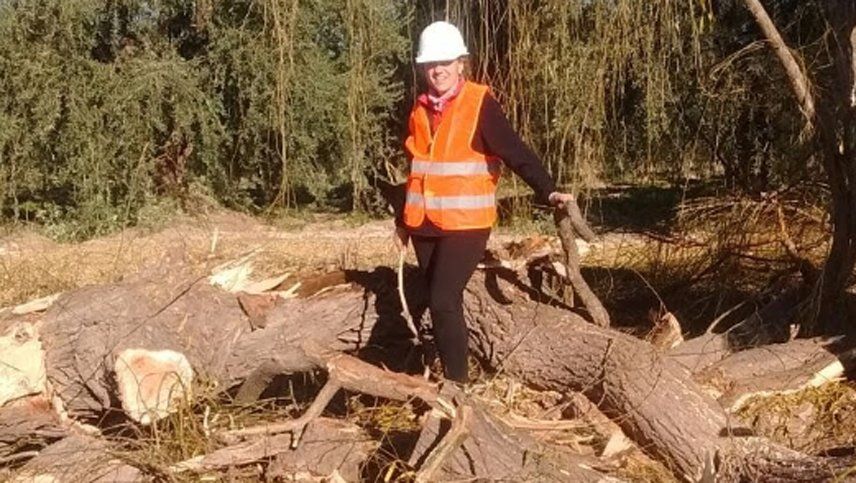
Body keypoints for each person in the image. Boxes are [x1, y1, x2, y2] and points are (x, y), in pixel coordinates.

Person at [396, 21, 574, 385]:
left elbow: (514, 150)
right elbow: (417, 169)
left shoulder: (479, 103)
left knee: (443, 300)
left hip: (466, 224)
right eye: (431, 63)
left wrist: (548, 190)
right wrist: (402, 221)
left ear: (461, 63)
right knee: (436, 301)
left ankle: (457, 389)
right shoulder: (419, 109)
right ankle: (443, 370)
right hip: (423, 224)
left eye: (445, 61)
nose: (438, 69)